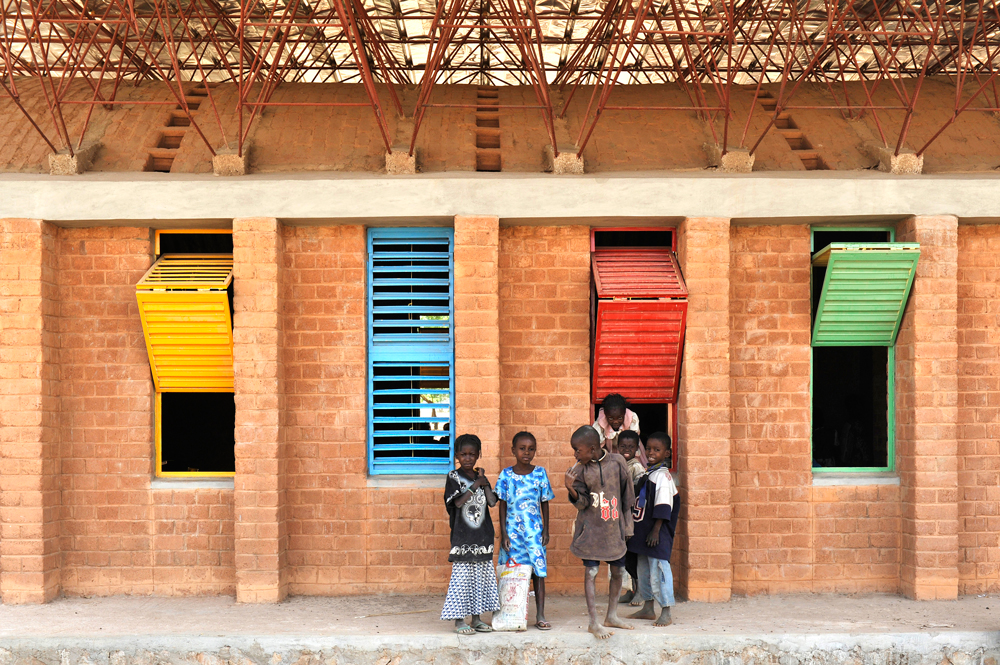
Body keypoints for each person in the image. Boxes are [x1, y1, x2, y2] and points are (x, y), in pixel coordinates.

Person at [564, 425, 635, 639]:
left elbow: (627, 498)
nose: (575, 454)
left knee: (618, 572)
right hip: (591, 530)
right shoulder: (580, 470)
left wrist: (628, 526)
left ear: (593, 448)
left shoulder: (618, 462)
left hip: (614, 529)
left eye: (578, 450)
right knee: (591, 572)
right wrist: (571, 489)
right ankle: (593, 622)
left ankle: (611, 616)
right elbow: (583, 503)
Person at [441, 434, 501, 635]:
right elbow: (457, 503)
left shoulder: (480, 478)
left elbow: (492, 502)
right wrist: (474, 486)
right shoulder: (454, 477)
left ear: (478, 455)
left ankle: (476, 619)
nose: (468, 458)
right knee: (462, 580)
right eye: (463, 454)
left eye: (472, 454)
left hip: (483, 537)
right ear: (457, 455)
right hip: (463, 538)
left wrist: (483, 483)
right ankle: (459, 621)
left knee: (480, 580)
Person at [496, 431, 555, 630]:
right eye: (522, 449)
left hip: (534, 533)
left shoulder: (540, 473)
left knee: (538, 573)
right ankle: (510, 614)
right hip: (512, 534)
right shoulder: (505, 475)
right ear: (513, 450)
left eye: (531, 449)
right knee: (511, 573)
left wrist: (546, 530)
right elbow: (502, 505)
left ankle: (540, 614)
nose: (526, 453)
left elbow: (544, 502)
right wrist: (503, 533)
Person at [627, 432, 679, 627]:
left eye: (657, 450)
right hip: (643, 533)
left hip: (656, 534)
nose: (650, 452)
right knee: (643, 570)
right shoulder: (650, 473)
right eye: (648, 448)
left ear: (667, 453)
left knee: (659, 569)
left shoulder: (663, 477)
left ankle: (666, 610)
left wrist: (656, 530)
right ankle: (648, 607)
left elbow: (664, 505)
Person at [616, 430, 645, 606]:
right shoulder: (618, 464)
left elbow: (637, 493)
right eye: (623, 446)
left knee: (633, 556)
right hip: (621, 517)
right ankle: (632, 590)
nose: (627, 449)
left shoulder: (636, 467)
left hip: (633, 518)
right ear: (617, 447)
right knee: (625, 556)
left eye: (631, 446)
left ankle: (641, 591)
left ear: (637, 449)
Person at [593, 393, 647, 465]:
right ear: (605, 415)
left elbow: (634, 439)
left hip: (630, 451)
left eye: (620, 418)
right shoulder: (602, 422)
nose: (616, 422)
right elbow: (598, 443)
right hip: (611, 451)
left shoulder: (631, 419)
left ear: (624, 413)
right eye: (611, 418)